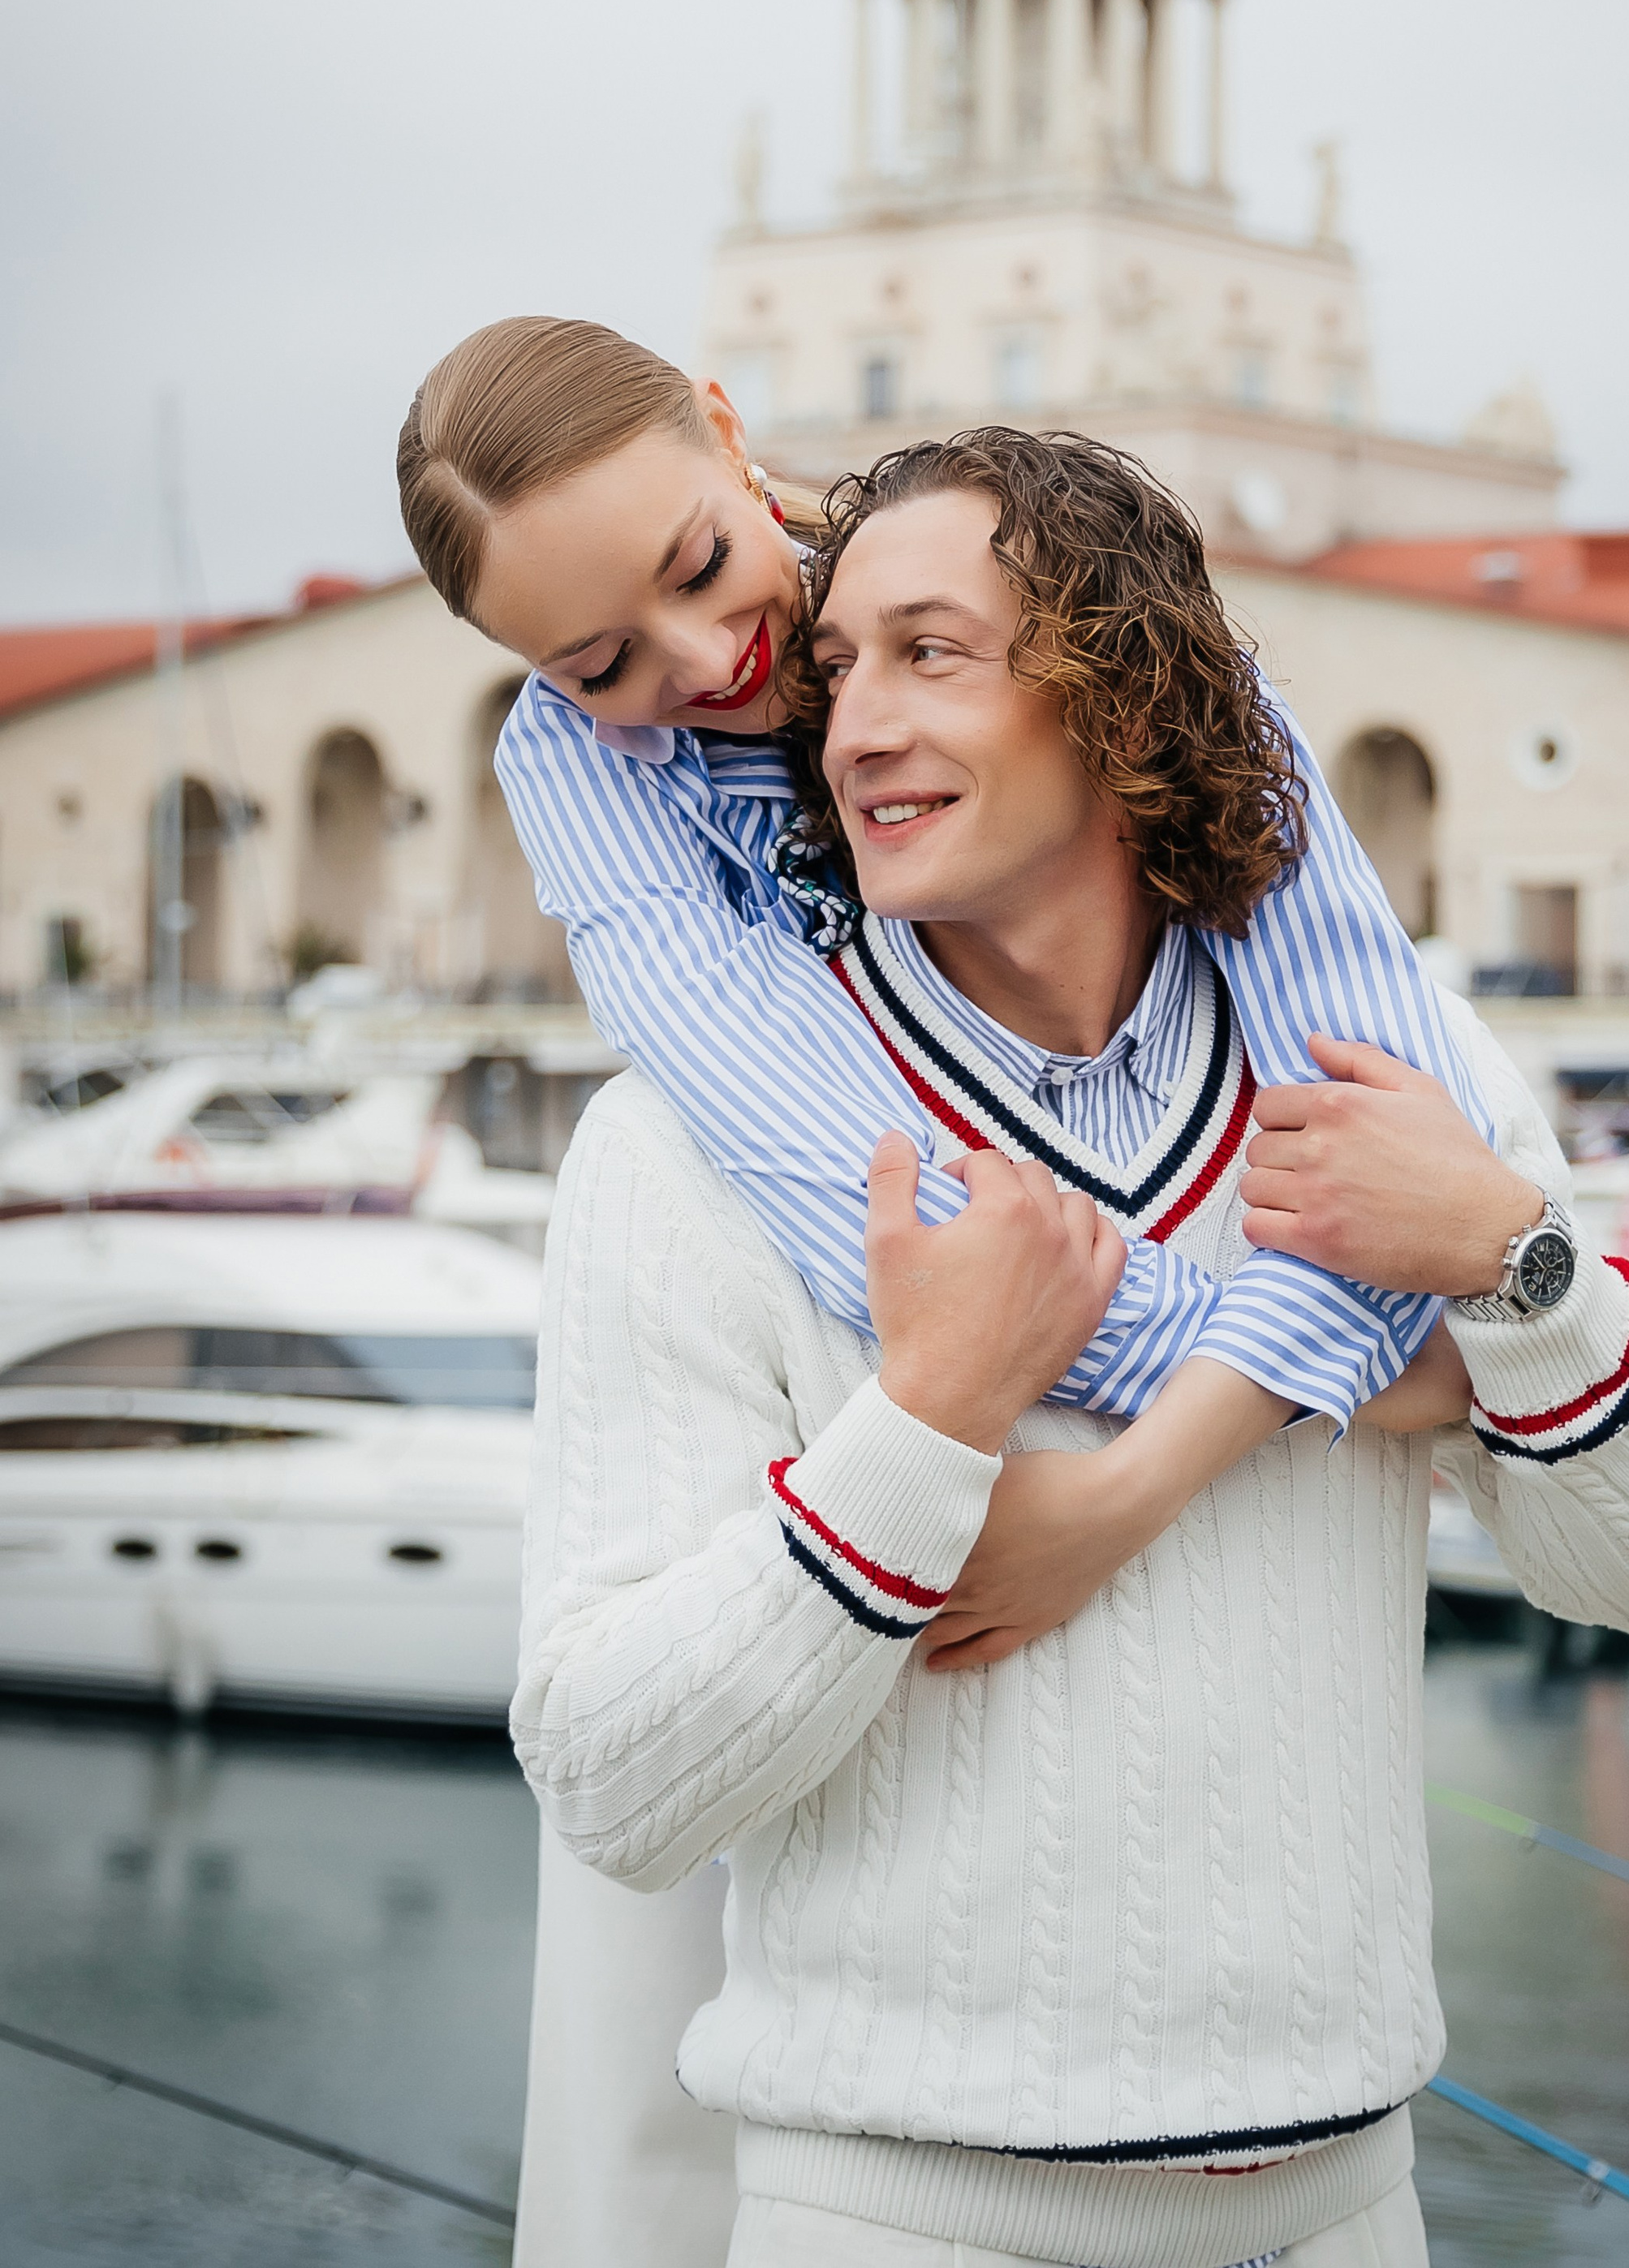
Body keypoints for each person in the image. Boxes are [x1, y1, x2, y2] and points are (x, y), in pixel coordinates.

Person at [507, 440, 1629, 2267]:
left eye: (931, 652)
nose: (848, 724)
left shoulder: (1402, 1089)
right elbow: (612, 1785)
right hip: (898, 2218)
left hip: (1348, 2210)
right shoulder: (676, 1156)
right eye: (838, 667)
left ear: (1119, 697)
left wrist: (1511, 1261)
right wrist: (924, 1432)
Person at [398, 321, 1507, 1507]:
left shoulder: (1054, 572)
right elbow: (859, 1198)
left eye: (700, 565)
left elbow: (1388, 1119)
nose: (708, 658)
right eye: (601, 664)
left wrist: (1130, 1486)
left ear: (728, 433)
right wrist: (1322, 1369)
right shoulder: (582, 775)